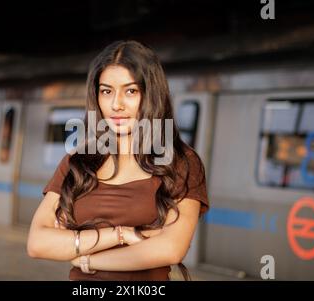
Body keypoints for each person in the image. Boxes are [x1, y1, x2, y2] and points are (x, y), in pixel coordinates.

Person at [27, 40, 209, 281]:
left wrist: (86, 258)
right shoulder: (79, 162)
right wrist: (122, 235)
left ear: (151, 95)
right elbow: (38, 243)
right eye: (106, 91)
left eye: (131, 91)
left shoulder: (181, 163)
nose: (116, 105)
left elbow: (171, 249)